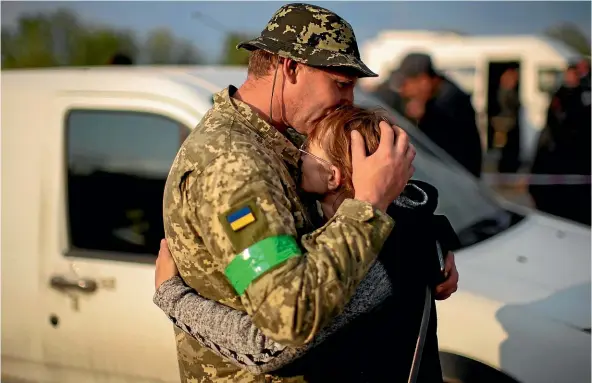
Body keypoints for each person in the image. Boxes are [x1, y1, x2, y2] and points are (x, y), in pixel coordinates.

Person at [160, 3, 458, 382]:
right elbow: (291, 315)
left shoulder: (280, 136)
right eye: (341, 83)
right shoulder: (234, 164)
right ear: (290, 67)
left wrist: (427, 238)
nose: (349, 101)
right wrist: (369, 207)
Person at [392, 52, 483, 179]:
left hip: (460, 181)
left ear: (424, 80)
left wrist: (422, 113)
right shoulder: (442, 96)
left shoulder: (448, 99)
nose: (403, 90)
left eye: (407, 83)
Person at [529, 62, 591, 225]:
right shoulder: (559, 96)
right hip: (559, 154)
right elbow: (553, 122)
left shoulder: (584, 95)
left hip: (579, 155)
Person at [495, 67, 521, 173]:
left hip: (508, 123)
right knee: (505, 148)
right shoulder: (506, 92)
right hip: (506, 124)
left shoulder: (506, 91)